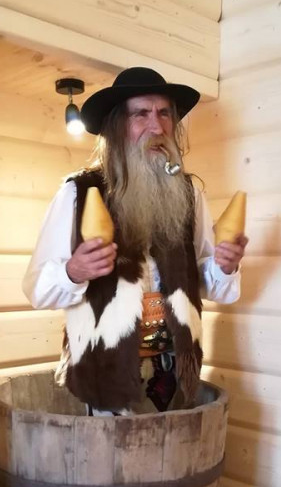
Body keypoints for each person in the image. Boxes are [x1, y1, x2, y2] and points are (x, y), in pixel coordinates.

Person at [23, 67, 248, 415]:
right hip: (106, 372)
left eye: (164, 113)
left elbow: (205, 282)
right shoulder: (77, 193)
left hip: (177, 372)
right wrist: (73, 271)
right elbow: (38, 289)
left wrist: (224, 266)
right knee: (110, 452)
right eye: (141, 114)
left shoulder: (190, 193)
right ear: (117, 126)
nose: (156, 127)